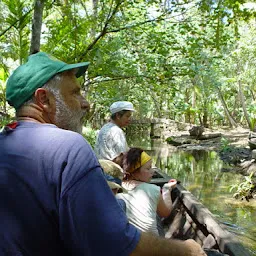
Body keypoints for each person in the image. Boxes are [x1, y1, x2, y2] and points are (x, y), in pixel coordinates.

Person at [0, 51, 206, 256]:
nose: (86, 103)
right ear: (44, 99)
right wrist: (185, 250)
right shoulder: (68, 147)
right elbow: (116, 245)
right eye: (74, 93)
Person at [116, 147, 177, 236]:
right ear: (134, 173)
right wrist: (166, 189)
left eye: (151, 167)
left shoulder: (116, 188)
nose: (152, 172)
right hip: (151, 245)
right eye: (148, 169)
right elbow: (166, 212)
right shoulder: (153, 190)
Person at [94, 101, 134, 165]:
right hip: (112, 170)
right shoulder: (116, 131)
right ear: (118, 115)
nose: (129, 119)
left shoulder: (105, 127)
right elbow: (122, 157)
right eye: (127, 116)